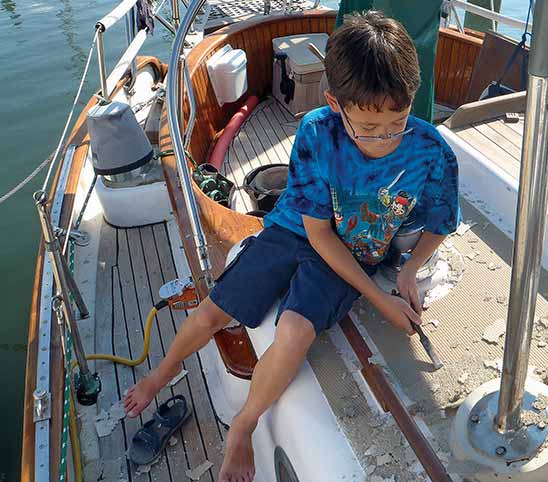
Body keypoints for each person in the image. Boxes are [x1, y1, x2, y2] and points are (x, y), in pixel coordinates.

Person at [123, 10, 460, 482]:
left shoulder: (430, 149)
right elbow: (317, 231)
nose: (384, 140)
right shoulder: (317, 133)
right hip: (294, 230)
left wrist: (407, 271)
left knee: (296, 332)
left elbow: (441, 221)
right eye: (367, 128)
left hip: (354, 252)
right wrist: (379, 298)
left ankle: (243, 424)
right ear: (334, 103)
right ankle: (162, 372)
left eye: (397, 123)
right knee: (215, 310)